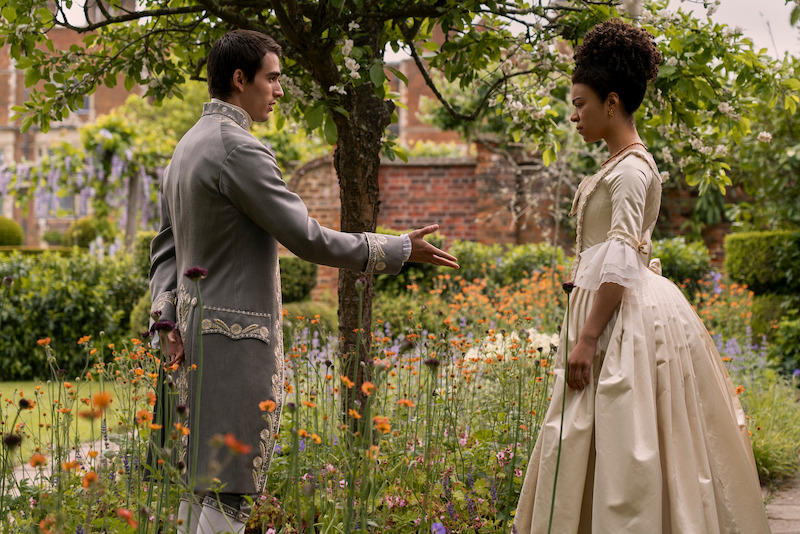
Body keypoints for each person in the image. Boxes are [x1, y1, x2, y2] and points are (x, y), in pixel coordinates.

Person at [148, 29, 458, 534]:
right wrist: (395, 248)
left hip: (189, 341)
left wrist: (165, 320)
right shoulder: (237, 149)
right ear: (239, 79)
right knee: (228, 494)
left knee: (201, 488)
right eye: (271, 78)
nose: (278, 90)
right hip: (233, 346)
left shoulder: (187, 146)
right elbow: (307, 238)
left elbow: (164, 248)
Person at [513, 20, 770, 534]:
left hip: (622, 320)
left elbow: (622, 257)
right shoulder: (616, 165)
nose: (574, 114)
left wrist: (587, 339)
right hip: (609, 309)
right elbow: (601, 252)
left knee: (625, 437)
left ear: (611, 103)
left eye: (581, 103)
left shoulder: (632, 171)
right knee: (590, 433)